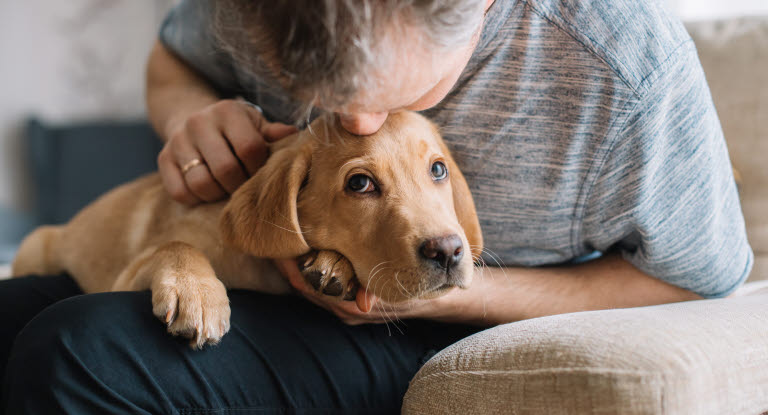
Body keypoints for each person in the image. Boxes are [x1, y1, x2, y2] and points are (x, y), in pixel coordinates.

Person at [1, 0, 753, 413]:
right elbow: (172, 56)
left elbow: (699, 277)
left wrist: (456, 294)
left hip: (447, 324)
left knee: (76, 352)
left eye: (399, 97)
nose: (354, 123)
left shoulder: (626, 72)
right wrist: (187, 114)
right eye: (316, 91)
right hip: (271, 273)